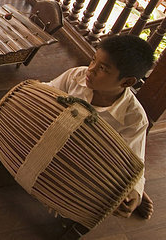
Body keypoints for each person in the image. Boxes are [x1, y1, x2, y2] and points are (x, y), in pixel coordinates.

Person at [46, 34, 155, 220]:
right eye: (93, 61)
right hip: (55, 133)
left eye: (103, 68)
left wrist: (135, 189)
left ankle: (131, 193)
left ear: (127, 82)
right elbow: (46, 93)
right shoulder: (76, 77)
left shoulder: (134, 118)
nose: (90, 70)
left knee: (113, 186)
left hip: (88, 157)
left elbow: (134, 158)